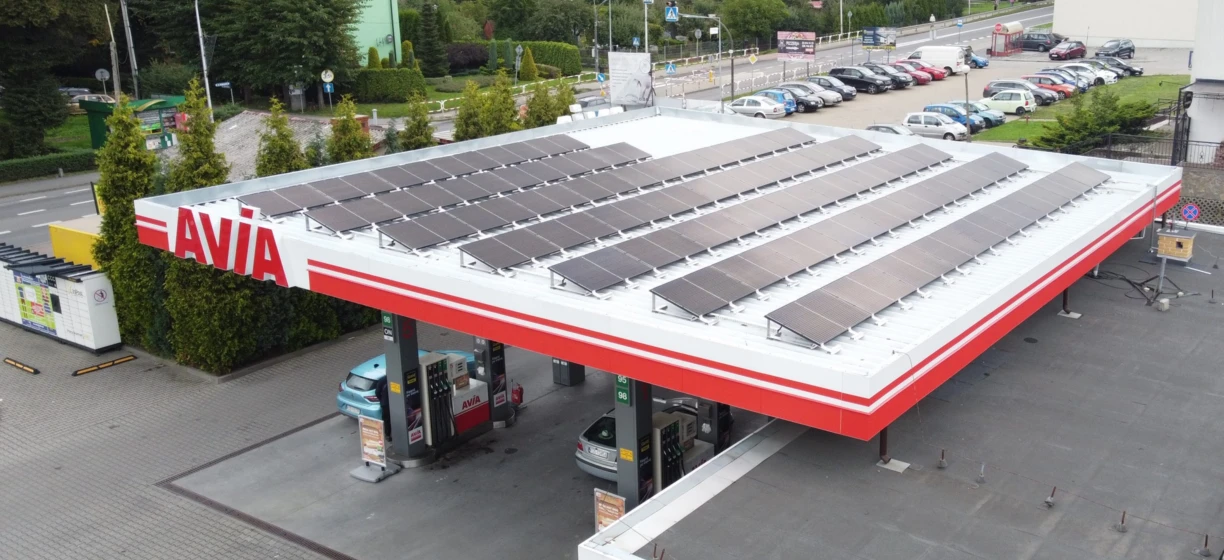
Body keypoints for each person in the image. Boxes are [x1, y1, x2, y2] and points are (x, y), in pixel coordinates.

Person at [376, 377, 392, 442]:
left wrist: (382, 399)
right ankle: (388, 434)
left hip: (385, 403)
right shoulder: (395, 377)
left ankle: (387, 434)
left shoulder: (382, 380)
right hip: (392, 402)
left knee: (386, 419)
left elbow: (377, 393)